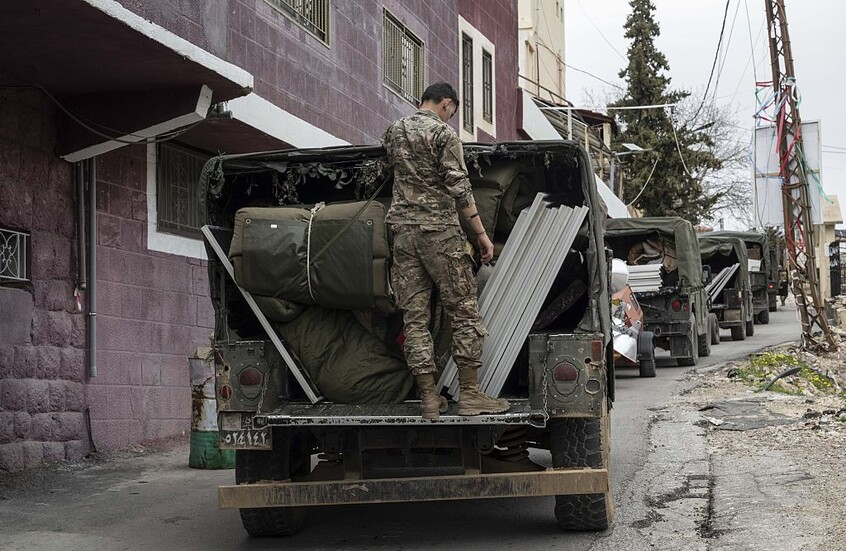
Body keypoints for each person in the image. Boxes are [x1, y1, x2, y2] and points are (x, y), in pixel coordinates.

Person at [382, 82, 510, 420]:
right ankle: (469, 395)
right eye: (452, 110)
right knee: (464, 311)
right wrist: (481, 236)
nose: (451, 116)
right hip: (440, 233)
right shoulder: (443, 135)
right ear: (447, 104)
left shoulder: (394, 131)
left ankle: (428, 398)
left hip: (403, 236)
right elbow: (459, 187)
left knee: (415, 319)